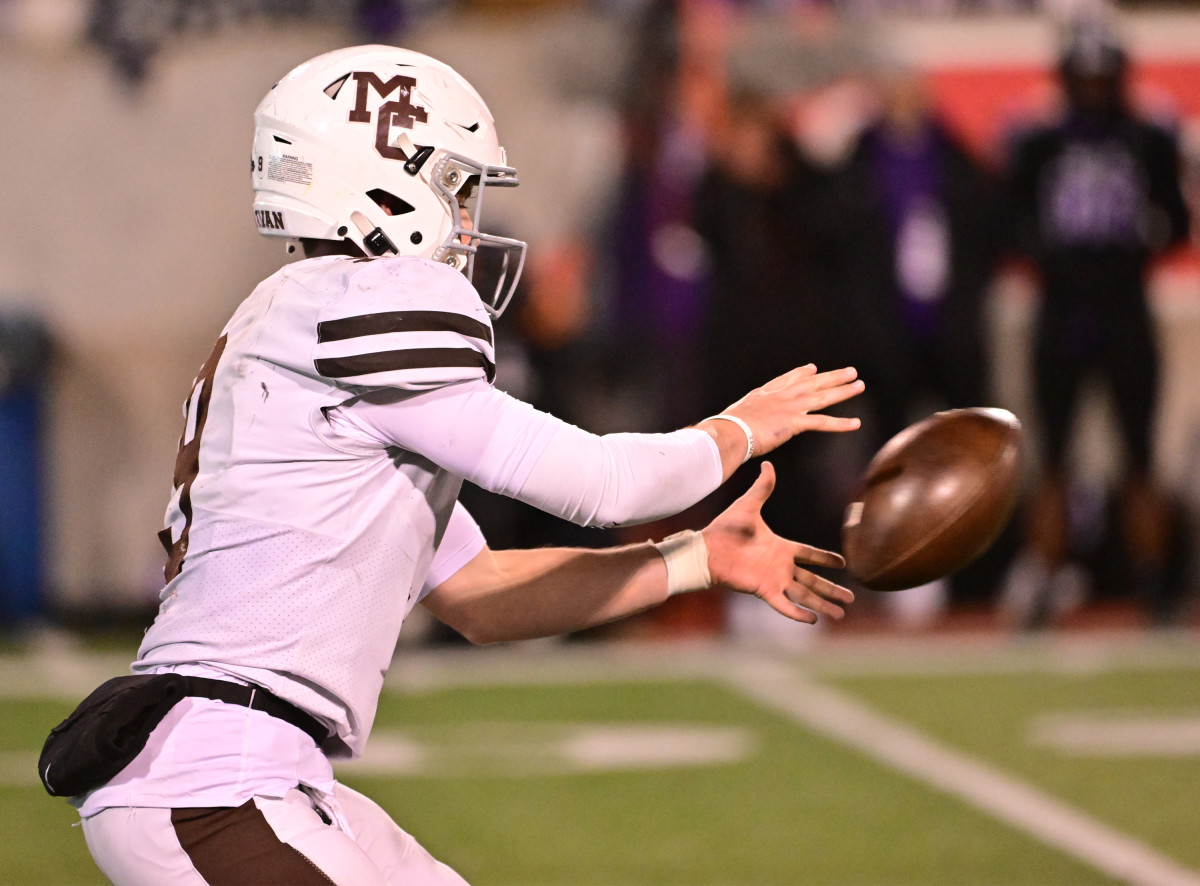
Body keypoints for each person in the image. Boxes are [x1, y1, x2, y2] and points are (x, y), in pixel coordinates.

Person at [46, 45, 865, 885]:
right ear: (381, 184)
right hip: (217, 781)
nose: (468, 222)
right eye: (457, 189)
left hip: (255, 772)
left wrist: (692, 558)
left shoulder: (306, 322)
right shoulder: (360, 304)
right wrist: (737, 428)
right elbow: (602, 483)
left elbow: (479, 596)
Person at [1001, 22, 1191, 627]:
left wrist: (1129, 247)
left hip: (1124, 310)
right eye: (1082, 80)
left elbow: (1178, 222)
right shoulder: (1040, 144)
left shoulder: (1148, 141)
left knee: (1139, 454)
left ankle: (1154, 585)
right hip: (1063, 312)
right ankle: (1045, 581)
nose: (1091, 91)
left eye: (1099, 79)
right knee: (1051, 456)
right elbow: (1012, 222)